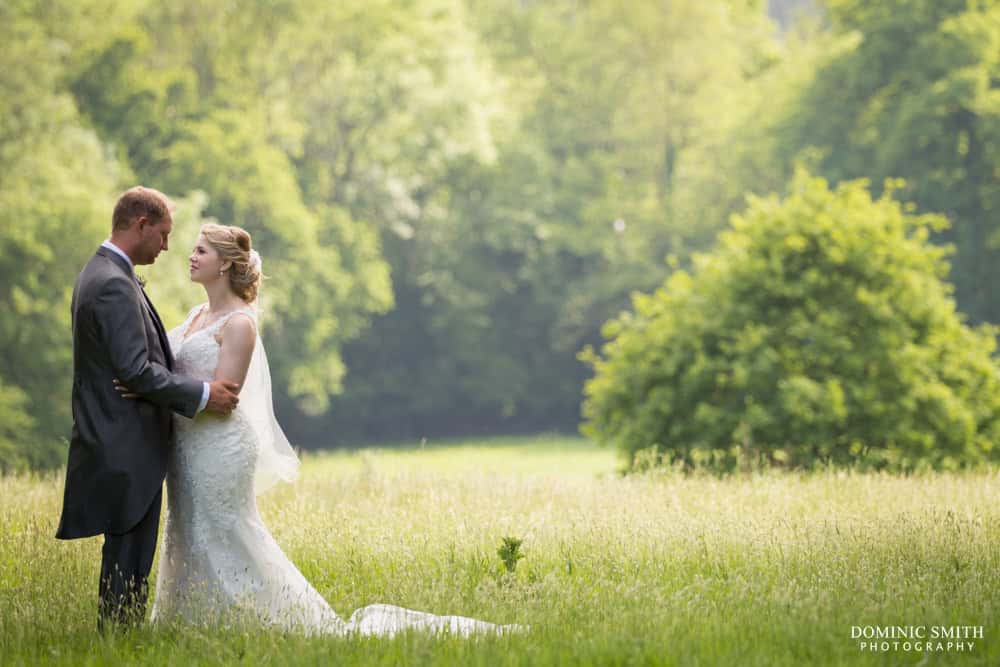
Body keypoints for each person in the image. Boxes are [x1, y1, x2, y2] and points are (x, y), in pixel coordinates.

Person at [131, 222, 518, 636]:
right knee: (187, 528)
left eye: (201, 251)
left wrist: (159, 392)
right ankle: (191, 621)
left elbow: (225, 397)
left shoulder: (240, 324)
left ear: (225, 264)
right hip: (188, 444)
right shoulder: (197, 315)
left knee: (223, 531)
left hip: (219, 445)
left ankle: (268, 621)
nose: (191, 256)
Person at [56, 187, 241, 632]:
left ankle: (118, 642)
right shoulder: (113, 284)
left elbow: (137, 368)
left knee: (129, 558)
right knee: (128, 559)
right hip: (124, 442)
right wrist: (202, 395)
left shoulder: (103, 274)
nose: (166, 246)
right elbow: (135, 370)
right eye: (163, 234)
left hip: (121, 438)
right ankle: (118, 644)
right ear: (140, 225)